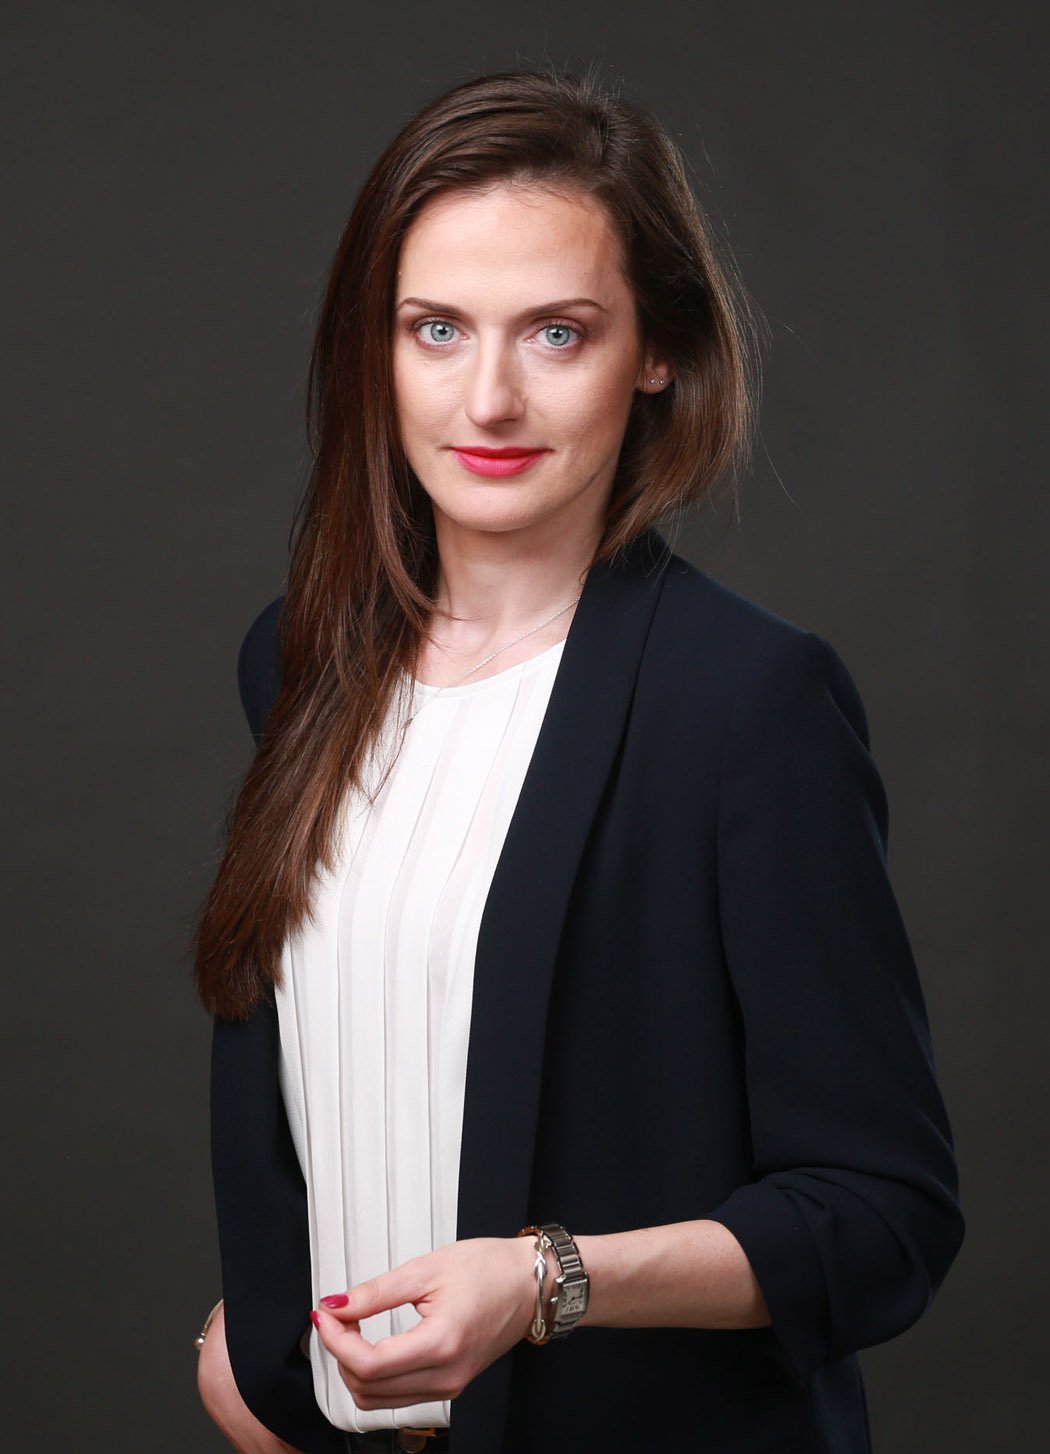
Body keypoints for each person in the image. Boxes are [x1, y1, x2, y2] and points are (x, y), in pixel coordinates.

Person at [192, 66, 964, 1454]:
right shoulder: (299, 661)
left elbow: (881, 1214)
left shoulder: (746, 705)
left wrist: (547, 1280)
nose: (487, 397)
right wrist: (256, 1366)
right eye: (435, 328)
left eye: (556, 332)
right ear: (376, 348)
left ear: (654, 350)